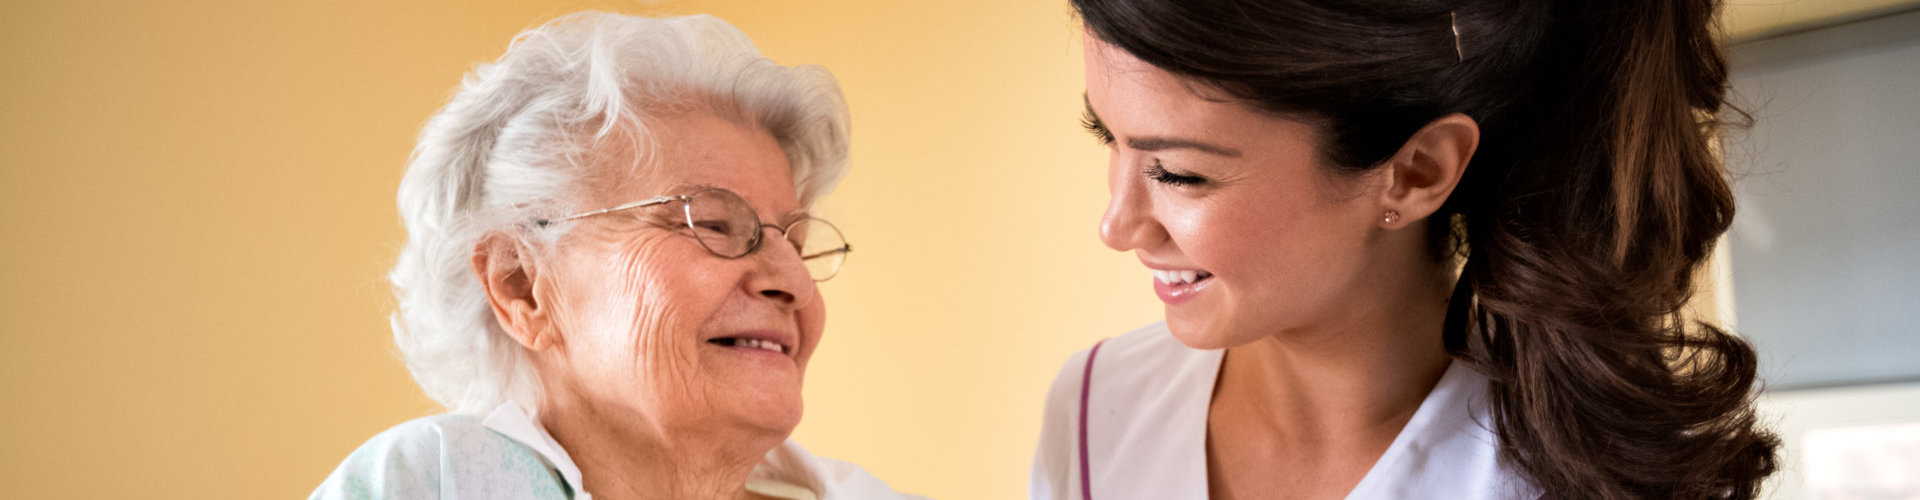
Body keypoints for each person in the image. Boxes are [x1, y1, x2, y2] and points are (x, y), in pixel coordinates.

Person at [1032, 0, 1779, 498]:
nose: (1118, 224)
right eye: (1109, 137)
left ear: (1415, 172)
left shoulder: (1581, 477)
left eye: (1178, 173)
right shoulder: (1097, 405)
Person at [312, 12, 920, 500]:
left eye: (795, 240)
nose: (795, 282)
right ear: (522, 286)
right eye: (712, 223)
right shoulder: (430, 482)